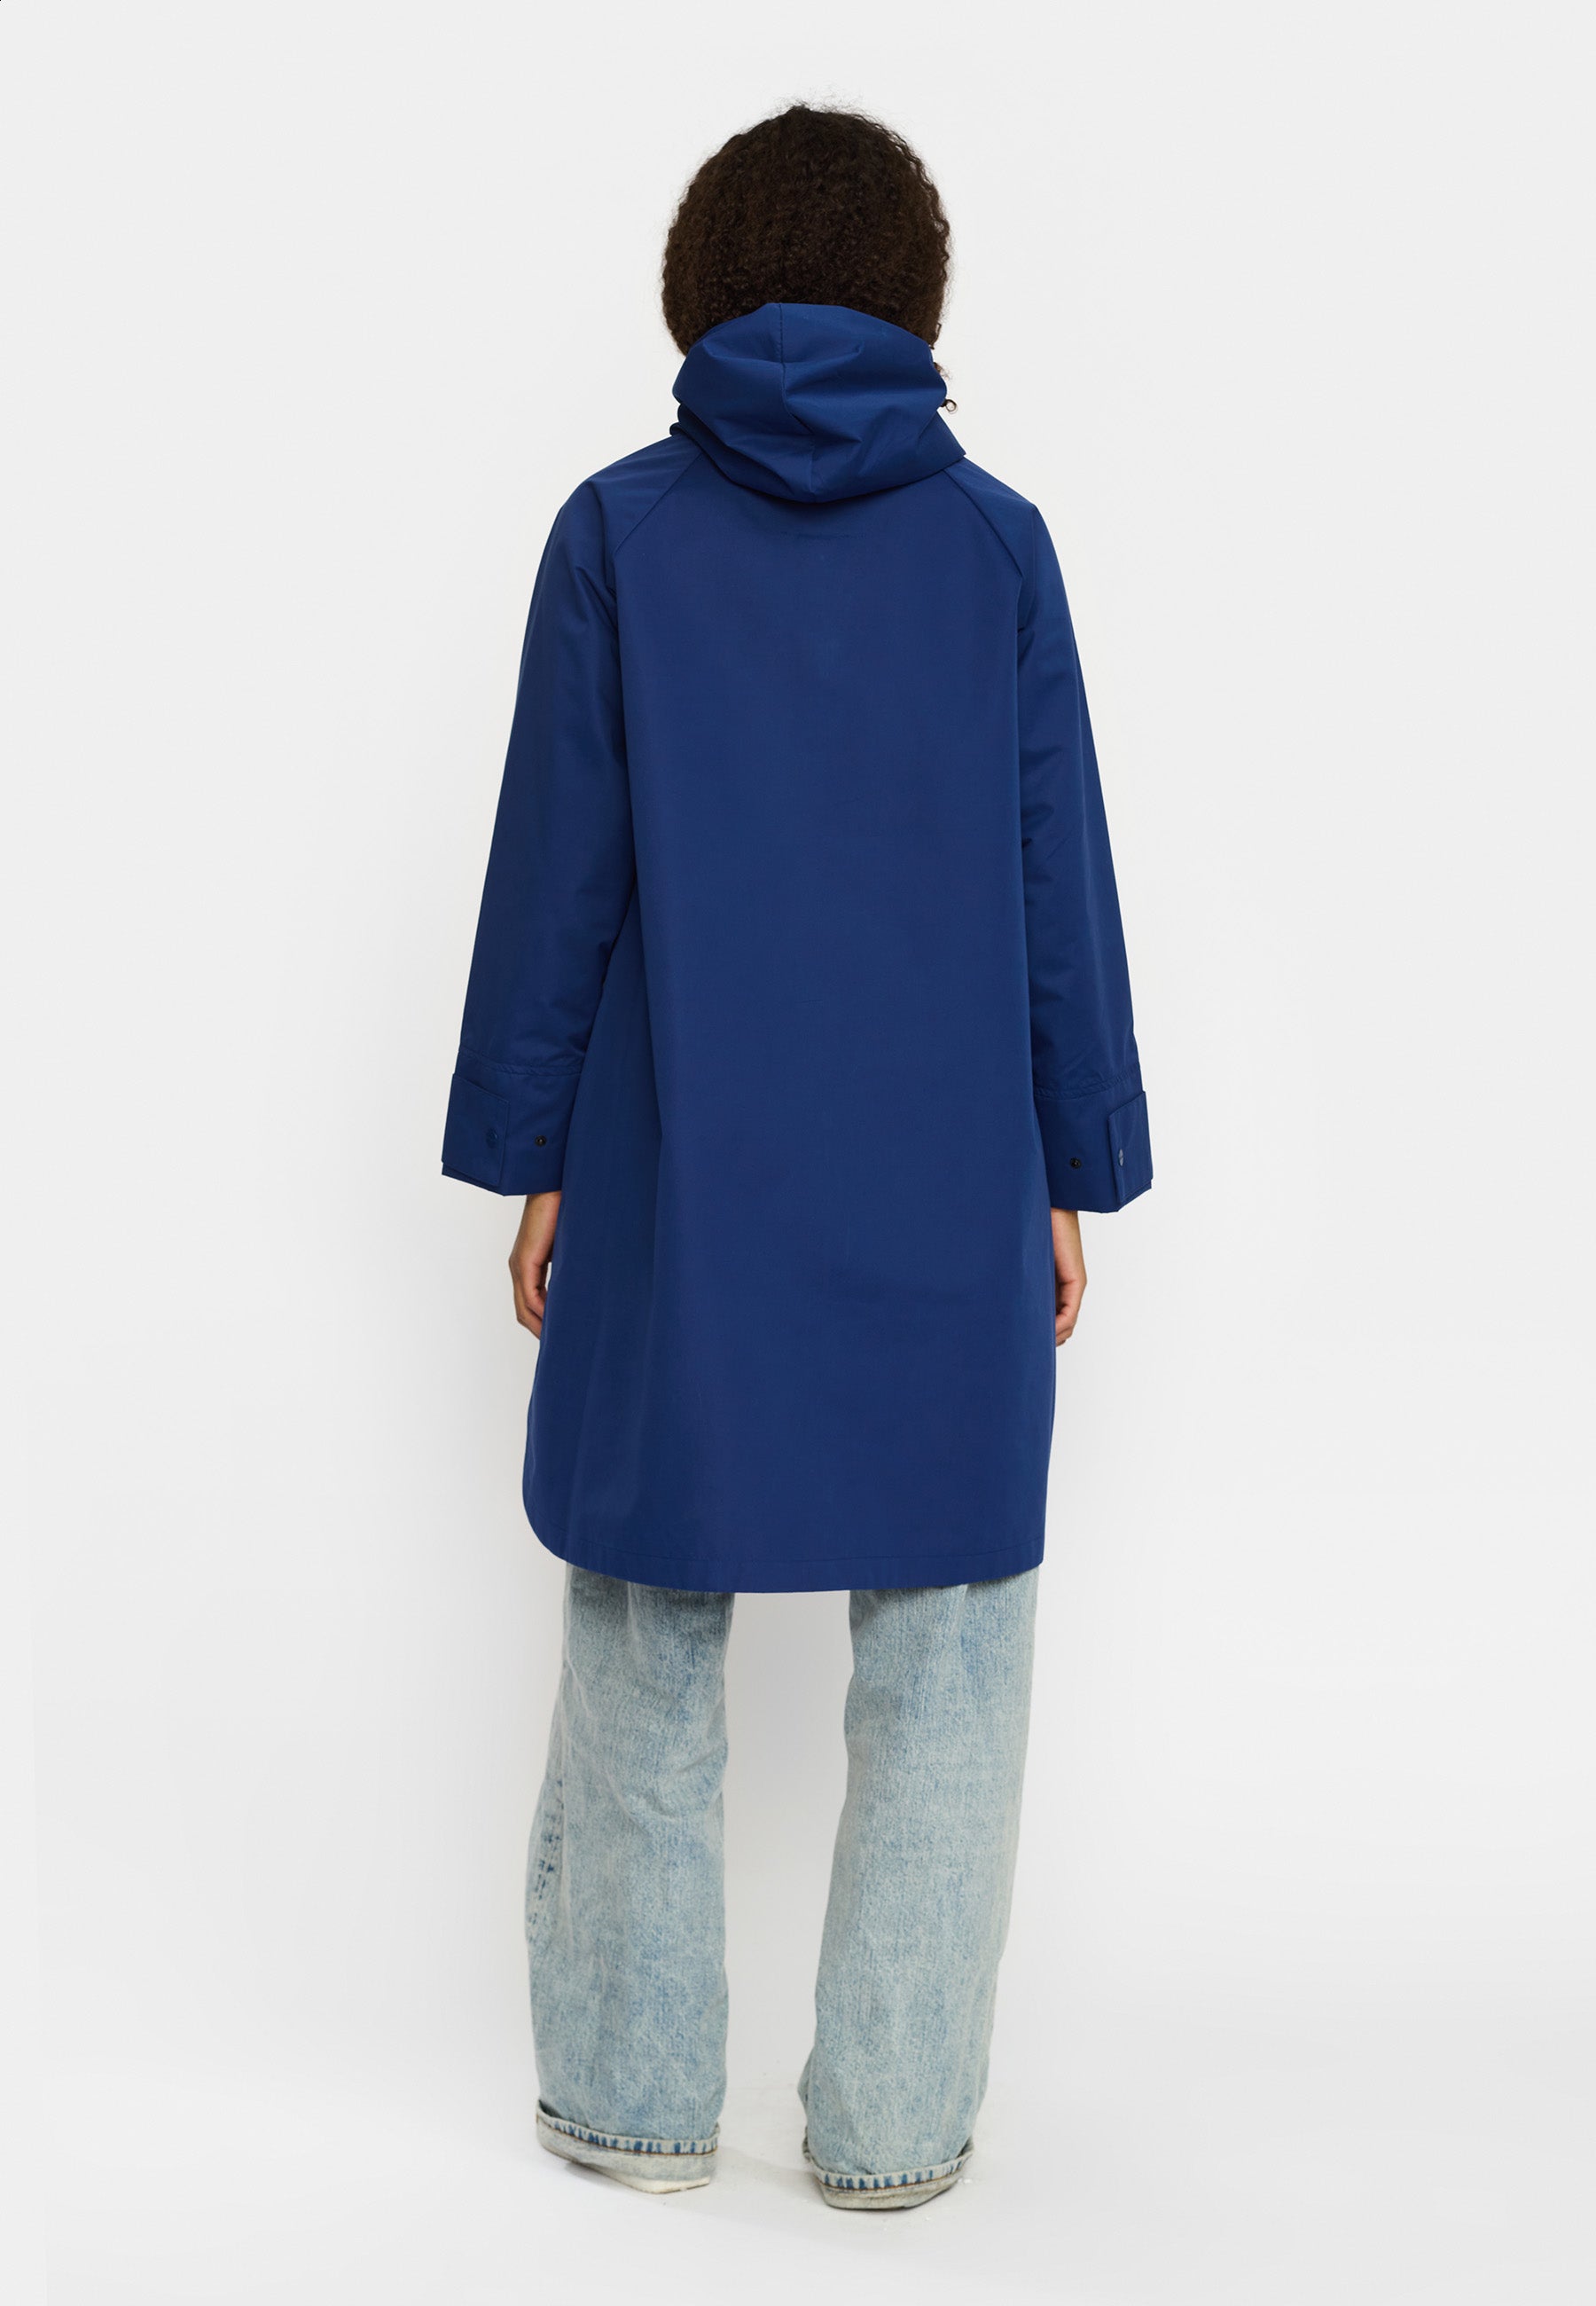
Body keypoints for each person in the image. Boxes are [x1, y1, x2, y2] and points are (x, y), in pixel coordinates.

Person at [442, 103, 1152, 2209]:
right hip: (945, 1171)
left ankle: (632, 2102)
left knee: (644, 1609)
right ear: (912, 296)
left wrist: (536, 1151)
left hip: (679, 1165)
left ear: (702, 289)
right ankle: (897, 2135)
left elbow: (557, 874)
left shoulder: (620, 533)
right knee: (949, 1638)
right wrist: (1071, 1162)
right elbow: (1055, 878)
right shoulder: (996, 547)